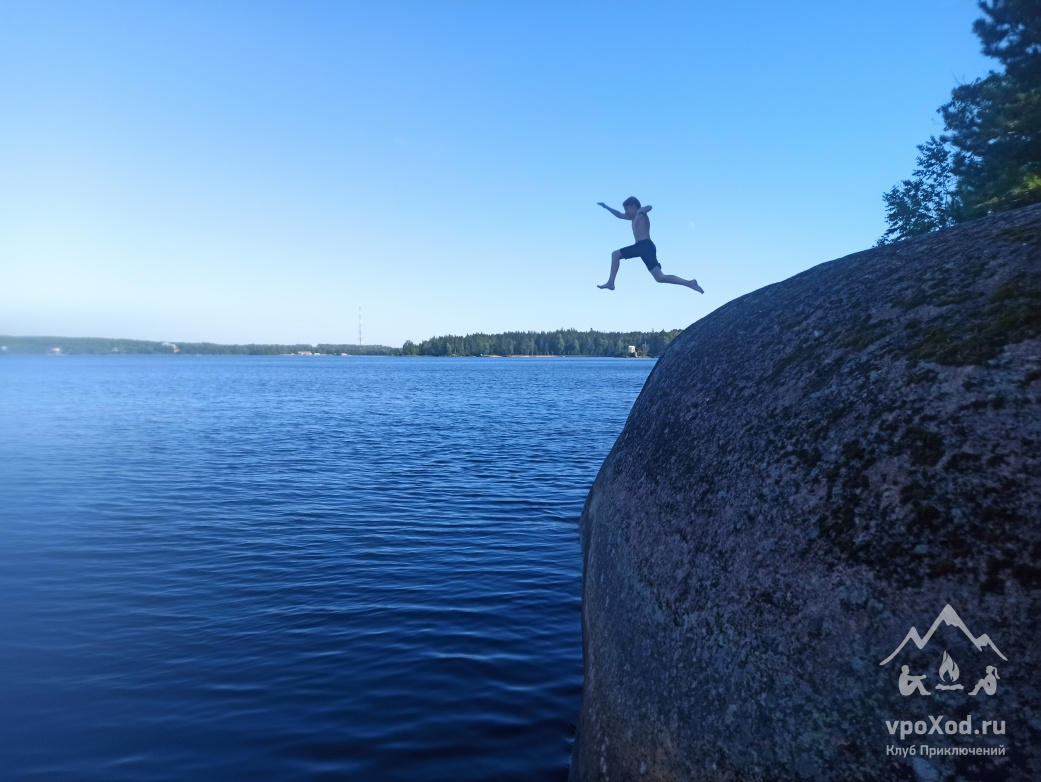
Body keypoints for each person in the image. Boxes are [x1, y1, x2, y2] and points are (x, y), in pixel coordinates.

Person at [596, 197, 704, 293]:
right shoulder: (632, 218)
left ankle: (611, 283)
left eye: (626, 209)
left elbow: (649, 206)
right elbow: (619, 215)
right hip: (647, 247)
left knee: (615, 254)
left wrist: (644, 210)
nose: (625, 212)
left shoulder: (639, 212)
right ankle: (689, 283)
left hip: (644, 245)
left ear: (633, 207)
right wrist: (606, 207)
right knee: (660, 277)